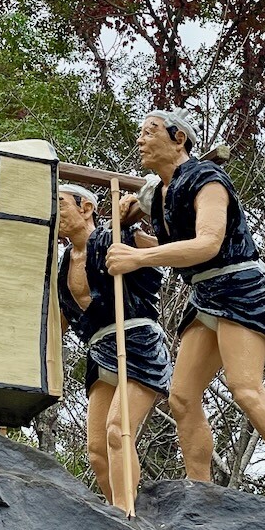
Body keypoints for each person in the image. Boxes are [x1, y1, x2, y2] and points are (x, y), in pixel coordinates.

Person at [106, 108, 265, 509]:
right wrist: (130, 218)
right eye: (140, 132)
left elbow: (208, 243)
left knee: (245, 387)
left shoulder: (208, 179)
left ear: (179, 139)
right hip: (204, 294)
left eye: (150, 132)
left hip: (240, 288)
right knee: (182, 397)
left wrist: (139, 258)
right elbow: (158, 226)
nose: (140, 140)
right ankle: (202, 491)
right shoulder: (160, 192)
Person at [57, 183, 173, 510]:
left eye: (60, 204)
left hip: (136, 340)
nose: (54, 213)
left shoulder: (115, 237)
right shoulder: (63, 264)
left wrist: (141, 213)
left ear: (86, 208)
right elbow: (59, 323)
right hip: (99, 348)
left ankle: (126, 511)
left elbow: (168, 247)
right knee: (96, 450)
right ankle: (119, 511)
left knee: (117, 430)